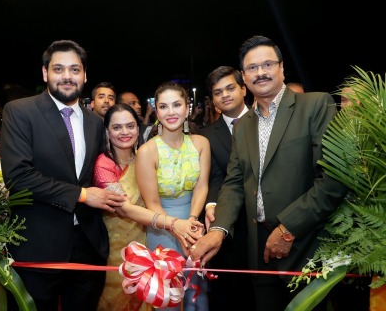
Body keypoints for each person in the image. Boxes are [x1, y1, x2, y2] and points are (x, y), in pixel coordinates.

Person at [189, 35, 348, 311]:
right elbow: (235, 183)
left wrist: (288, 230)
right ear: (244, 76)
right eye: (252, 68)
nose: (260, 72)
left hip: (305, 246)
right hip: (258, 251)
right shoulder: (243, 126)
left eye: (268, 64)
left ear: (282, 68)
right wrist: (217, 230)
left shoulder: (315, 106)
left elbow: (332, 180)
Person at [0, 39, 126, 311]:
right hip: (37, 246)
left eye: (75, 69)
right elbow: (18, 175)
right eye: (59, 69)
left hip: (87, 246)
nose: (67, 76)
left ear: (85, 75)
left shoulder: (94, 122)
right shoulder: (20, 112)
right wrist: (81, 195)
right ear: (45, 73)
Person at [94, 103, 204, 311]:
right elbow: (124, 208)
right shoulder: (104, 165)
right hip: (118, 250)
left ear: (138, 128)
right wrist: (173, 224)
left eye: (130, 126)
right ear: (107, 132)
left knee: (153, 298)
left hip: (150, 242)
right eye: (117, 128)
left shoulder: (145, 158)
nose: (125, 132)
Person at [136, 81, 211, 311]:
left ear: (187, 108)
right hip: (162, 228)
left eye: (176, 105)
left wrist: (191, 221)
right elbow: (152, 203)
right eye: (164, 106)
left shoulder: (201, 143)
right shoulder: (147, 151)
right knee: (167, 294)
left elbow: (201, 187)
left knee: (195, 292)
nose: (171, 112)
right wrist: (177, 227)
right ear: (156, 111)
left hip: (193, 224)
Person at [198, 66, 255, 311]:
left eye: (230, 88)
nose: (225, 95)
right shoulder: (207, 136)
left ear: (244, 88)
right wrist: (211, 204)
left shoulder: (266, 122)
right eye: (218, 92)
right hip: (229, 227)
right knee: (229, 294)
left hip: (270, 223)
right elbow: (213, 177)